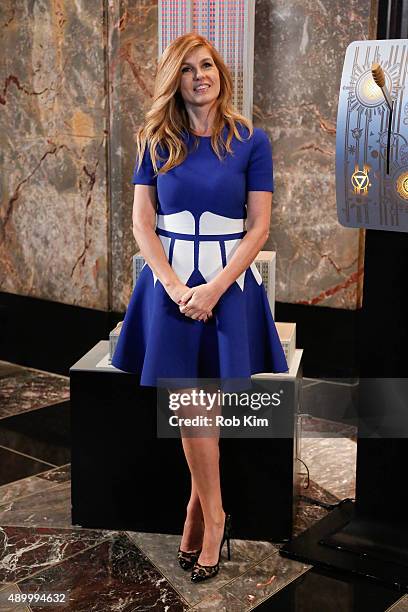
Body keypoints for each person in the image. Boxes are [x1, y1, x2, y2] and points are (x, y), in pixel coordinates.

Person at [111, 32, 289, 582]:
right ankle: (214, 516)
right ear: (175, 80)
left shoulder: (250, 140)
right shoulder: (154, 140)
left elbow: (257, 226)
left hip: (228, 287)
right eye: (187, 69)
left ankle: (197, 511)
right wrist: (170, 285)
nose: (199, 76)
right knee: (190, 403)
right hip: (169, 288)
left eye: (206, 65)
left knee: (204, 402)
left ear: (221, 73)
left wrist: (214, 289)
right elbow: (143, 222)